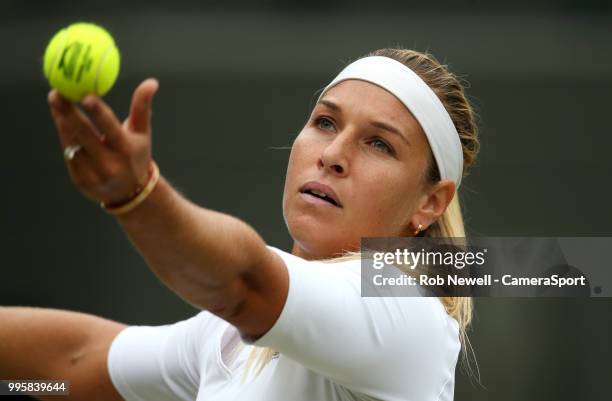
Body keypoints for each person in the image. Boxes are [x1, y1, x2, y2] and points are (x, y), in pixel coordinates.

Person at [0, 47, 480, 401]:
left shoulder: (405, 312)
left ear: (430, 203)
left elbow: (241, 281)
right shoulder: (224, 339)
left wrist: (135, 194)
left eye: (380, 144)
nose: (332, 155)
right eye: (325, 123)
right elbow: (70, 365)